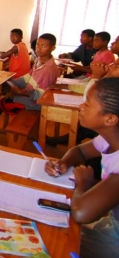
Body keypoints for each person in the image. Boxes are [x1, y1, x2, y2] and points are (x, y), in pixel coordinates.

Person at [44, 77, 119, 258]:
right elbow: (80, 151)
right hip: (111, 220)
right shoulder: (109, 139)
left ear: (110, 119)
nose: (81, 107)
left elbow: (81, 213)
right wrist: (64, 162)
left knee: (53, 244)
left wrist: (83, 185)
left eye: (87, 104)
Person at [0, 33, 61, 124]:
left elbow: (41, 96)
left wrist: (20, 92)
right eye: (37, 45)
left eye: (43, 46)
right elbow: (28, 77)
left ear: (53, 48)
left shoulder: (49, 69)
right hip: (29, 96)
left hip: (35, 103)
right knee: (1, 94)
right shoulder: (39, 60)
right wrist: (12, 81)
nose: (38, 48)